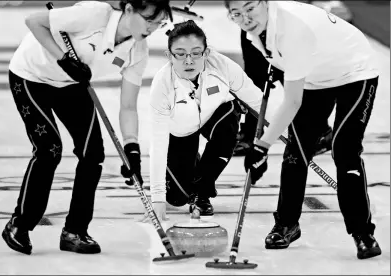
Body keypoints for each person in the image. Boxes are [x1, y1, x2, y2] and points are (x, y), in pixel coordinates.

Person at [2, 0, 172, 255]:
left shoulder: (137, 51)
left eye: (158, 23)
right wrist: (62, 59)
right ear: (128, 9)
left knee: (92, 154)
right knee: (49, 148)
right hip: (31, 75)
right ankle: (20, 224)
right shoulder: (95, 14)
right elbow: (34, 21)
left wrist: (132, 148)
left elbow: (127, 106)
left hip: (72, 83)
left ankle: (75, 231)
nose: (153, 27)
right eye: (148, 19)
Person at [225, 0, 381, 259]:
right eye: (236, 13)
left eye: (250, 8)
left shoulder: (292, 29)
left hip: (354, 72)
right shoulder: (253, 30)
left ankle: (362, 232)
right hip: (314, 76)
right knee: (296, 152)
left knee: (345, 151)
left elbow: (292, 102)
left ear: (265, 3)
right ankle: (287, 224)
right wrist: (279, 63)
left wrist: (262, 146)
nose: (245, 17)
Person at [146, 20, 263, 221]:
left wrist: (266, 143)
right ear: (169, 55)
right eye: (180, 54)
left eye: (196, 52)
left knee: (227, 128)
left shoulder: (223, 67)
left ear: (206, 53)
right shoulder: (162, 85)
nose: (188, 60)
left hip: (217, 116)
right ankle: (194, 168)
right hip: (181, 131)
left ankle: (203, 191)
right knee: (176, 198)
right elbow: (157, 144)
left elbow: (260, 104)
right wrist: (157, 200)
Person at [235, 29, 333, 156]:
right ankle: (251, 133)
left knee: (293, 76)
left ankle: (320, 132)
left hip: (280, 26)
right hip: (253, 23)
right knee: (254, 78)